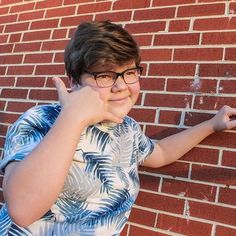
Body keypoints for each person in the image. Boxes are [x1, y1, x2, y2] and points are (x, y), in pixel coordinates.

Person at [0, 21, 236, 236]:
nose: (121, 86)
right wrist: (73, 118)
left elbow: (161, 152)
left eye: (129, 72)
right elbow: (23, 209)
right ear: (74, 81)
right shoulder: (41, 119)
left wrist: (211, 125)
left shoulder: (127, 129)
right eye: (105, 75)